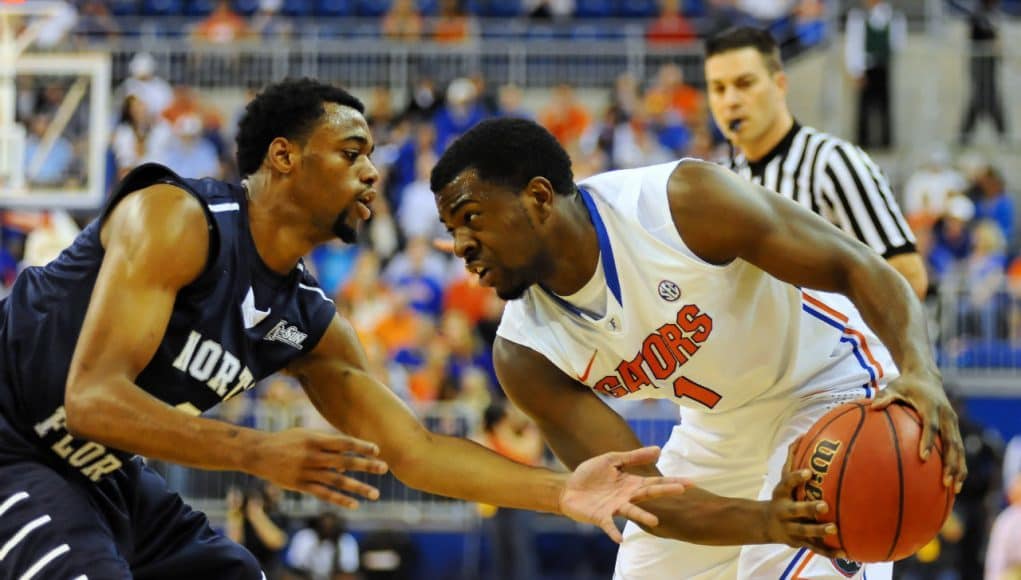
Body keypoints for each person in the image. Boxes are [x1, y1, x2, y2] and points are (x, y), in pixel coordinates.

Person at [0, 78, 691, 579]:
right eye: (351, 153)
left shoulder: (308, 320)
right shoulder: (177, 220)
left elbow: (413, 450)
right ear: (283, 158)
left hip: (103, 473)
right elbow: (89, 399)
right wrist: (256, 452)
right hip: (14, 449)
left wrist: (561, 491)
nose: (370, 174)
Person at [430, 117, 967, 579]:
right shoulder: (524, 355)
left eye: (471, 218)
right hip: (719, 426)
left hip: (830, 380)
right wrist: (764, 520)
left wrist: (920, 369)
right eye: (451, 231)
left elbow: (857, 265)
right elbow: (643, 497)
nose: (461, 246)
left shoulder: (680, 203)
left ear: (540, 198)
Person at [703, 27, 928, 299]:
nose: (731, 101)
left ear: (780, 85)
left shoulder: (833, 163)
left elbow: (908, 278)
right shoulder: (724, 181)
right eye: (718, 88)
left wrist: (836, 335)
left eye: (745, 83)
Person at [844, 0, 906, 149]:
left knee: (884, 104)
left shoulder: (892, 16)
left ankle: (885, 141)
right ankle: (863, 141)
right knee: (865, 106)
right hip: (866, 66)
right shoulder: (858, 17)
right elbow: (853, 44)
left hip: (883, 66)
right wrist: (856, 70)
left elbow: (898, 43)